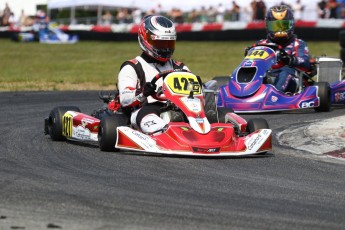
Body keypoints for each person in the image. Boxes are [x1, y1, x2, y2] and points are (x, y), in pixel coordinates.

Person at [117, 15, 190, 134]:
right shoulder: (132, 67)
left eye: (169, 44)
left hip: (179, 108)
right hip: (146, 109)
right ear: (145, 39)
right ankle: (165, 132)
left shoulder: (180, 67)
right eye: (160, 43)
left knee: (208, 114)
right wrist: (143, 93)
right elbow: (125, 99)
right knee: (149, 115)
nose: (165, 48)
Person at [251, 5, 311, 94]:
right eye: (275, 26)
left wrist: (290, 59)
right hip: (268, 75)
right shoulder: (261, 43)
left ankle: (274, 95)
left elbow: (306, 63)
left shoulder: (298, 44)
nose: (280, 30)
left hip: (293, 78)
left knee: (286, 71)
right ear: (268, 26)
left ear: (291, 24)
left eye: (284, 25)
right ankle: (241, 92)